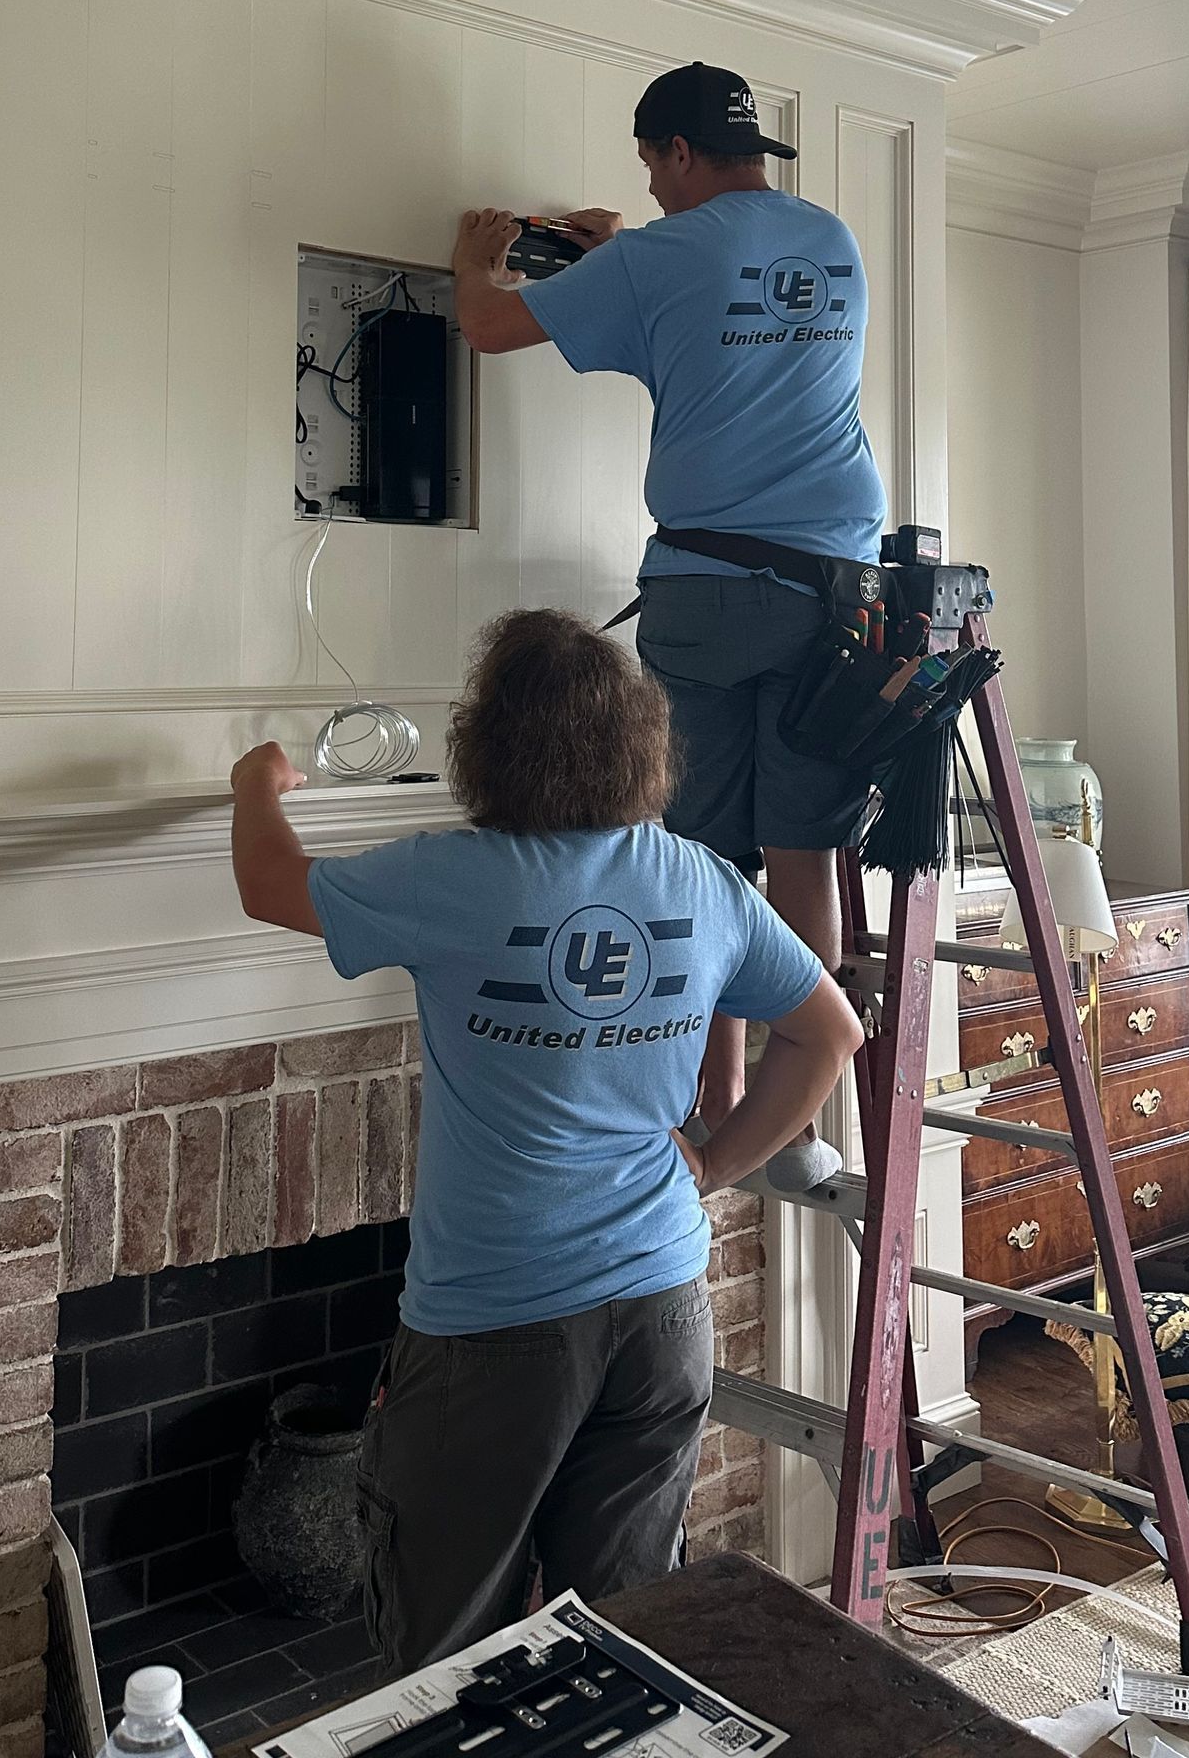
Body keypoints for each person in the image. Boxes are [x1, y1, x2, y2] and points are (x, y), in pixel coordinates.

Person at [229, 608, 861, 1673]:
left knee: (450, 1650)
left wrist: (258, 780)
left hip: (494, 1328)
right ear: (638, 743)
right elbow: (831, 1035)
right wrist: (714, 1164)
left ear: (491, 744)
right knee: (621, 1635)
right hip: (663, 1311)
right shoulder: (699, 880)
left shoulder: (454, 877)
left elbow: (267, 885)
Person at [449, 61, 886, 1186]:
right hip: (841, 593)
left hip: (711, 586)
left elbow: (490, 327)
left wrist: (479, 256)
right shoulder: (833, 240)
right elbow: (731, 340)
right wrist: (620, 263)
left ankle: (720, 1094)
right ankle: (789, 1123)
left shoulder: (658, 254)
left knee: (697, 849)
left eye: (652, 166)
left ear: (677, 153)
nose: (648, 192)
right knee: (800, 854)